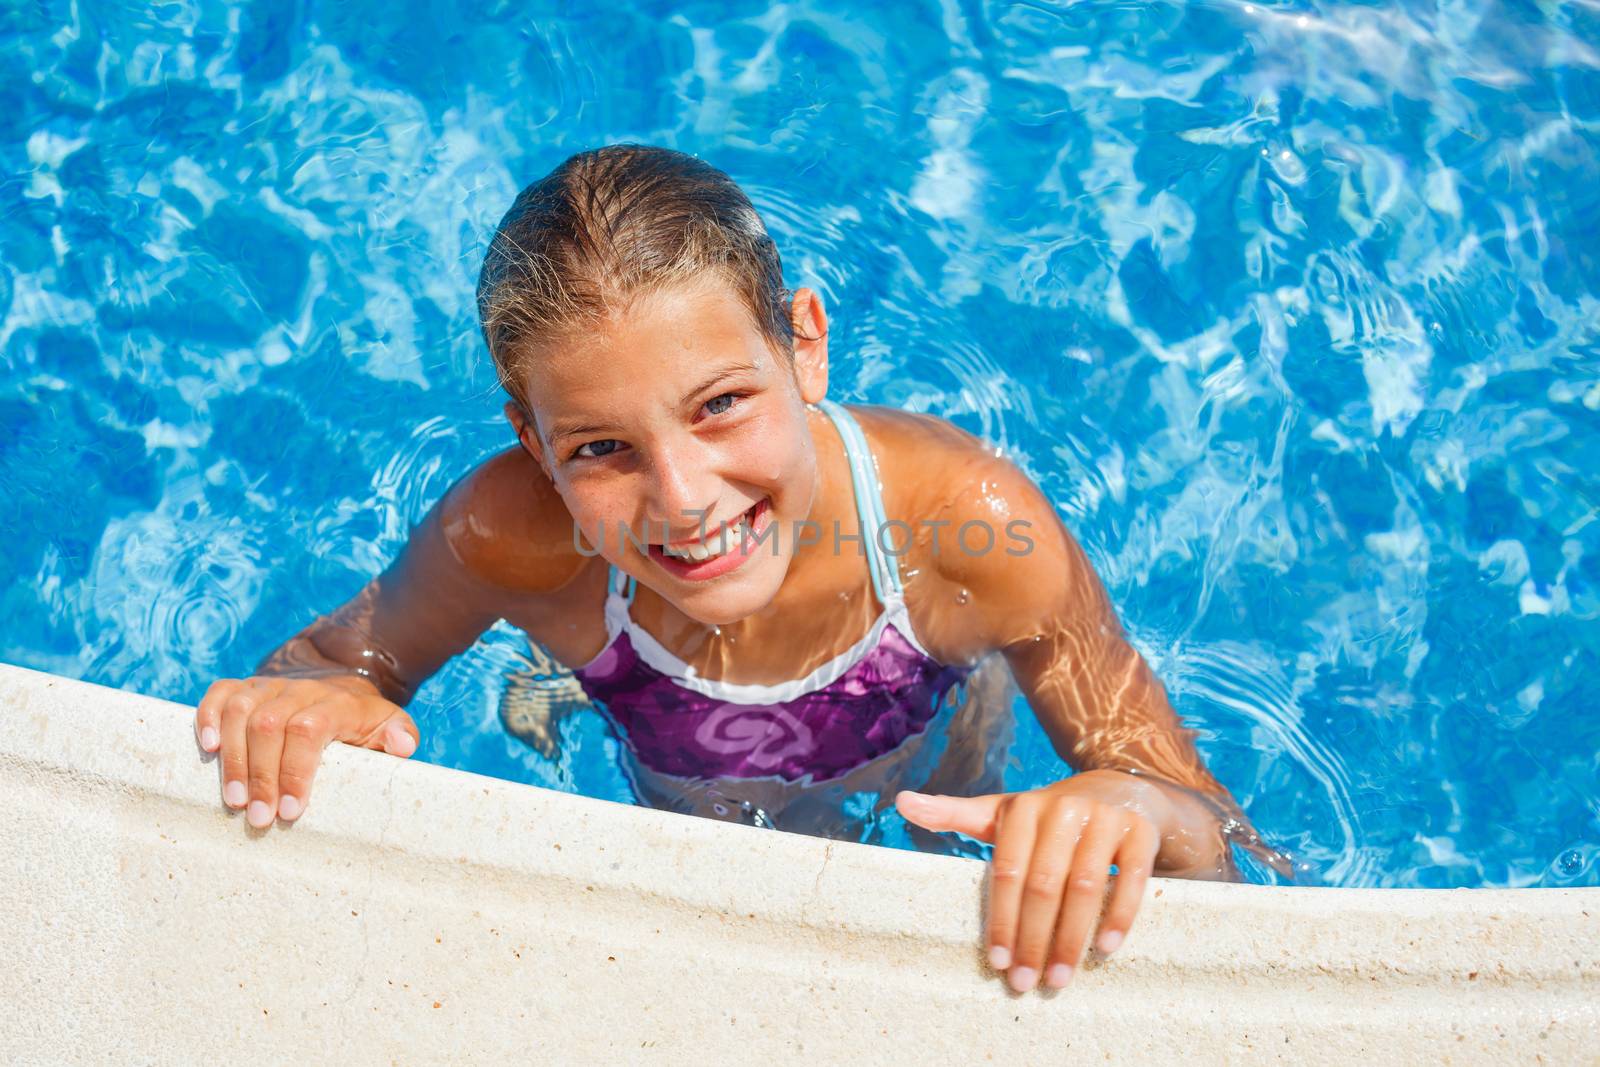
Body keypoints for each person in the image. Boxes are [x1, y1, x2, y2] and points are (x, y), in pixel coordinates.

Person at [193, 144, 1292, 995]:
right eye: (600, 448)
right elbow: (341, 665)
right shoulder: (511, 534)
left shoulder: (965, 529)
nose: (683, 498)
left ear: (804, 344)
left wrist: (1142, 812)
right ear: (533, 443)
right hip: (689, 850)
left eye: (721, 404)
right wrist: (317, 701)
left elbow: (1216, 840)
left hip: (939, 814)